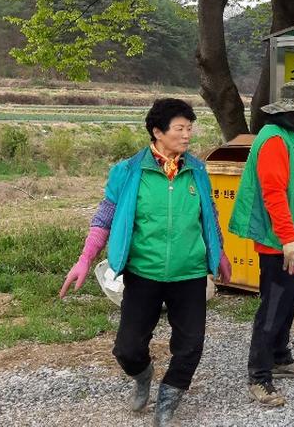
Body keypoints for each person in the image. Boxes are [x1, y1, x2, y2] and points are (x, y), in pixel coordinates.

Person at [59, 98, 230, 426]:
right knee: (127, 347)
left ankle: (168, 398)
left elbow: (209, 215)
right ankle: (143, 375)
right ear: (157, 132)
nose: (186, 135)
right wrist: (84, 260)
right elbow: (104, 217)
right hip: (143, 272)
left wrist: (218, 253)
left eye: (189, 129)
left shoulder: (196, 170)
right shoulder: (127, 171)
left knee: (191, 344)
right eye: (179, 129)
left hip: (189, 273)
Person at [230, 81, 294, 406]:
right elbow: (274, 194)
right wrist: (290, 239)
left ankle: (280, 356)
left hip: (293, 240)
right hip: (280, 242)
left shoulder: (291, 139)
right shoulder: (274, 140)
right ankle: (259, 376)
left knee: (288, 303)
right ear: (289, 114)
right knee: (273, 307)